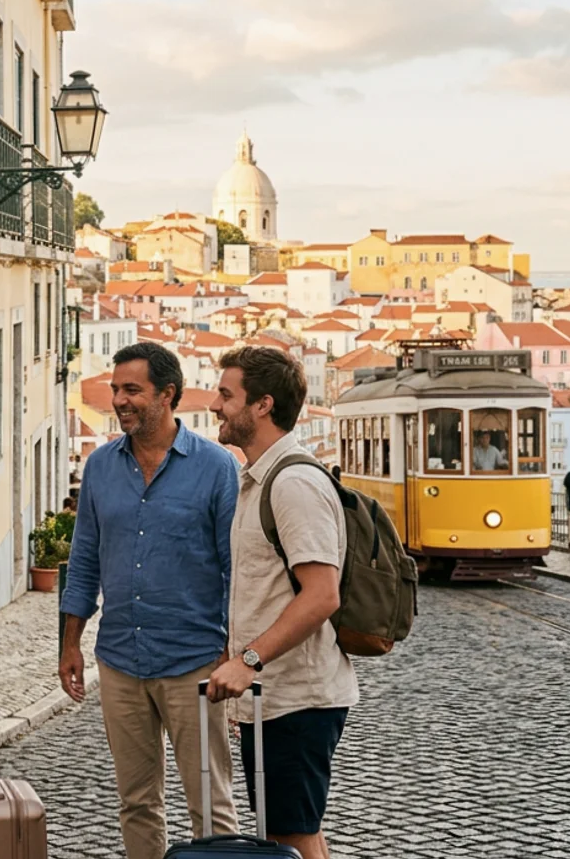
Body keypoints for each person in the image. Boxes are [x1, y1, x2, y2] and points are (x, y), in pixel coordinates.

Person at [58, 343, 240, 859]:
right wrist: (70, 644)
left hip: (194, 664)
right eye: (116, 389)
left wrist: (233, 654)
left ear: (169, 395)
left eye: (132, 390)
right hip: (119, 659)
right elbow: (84, 560)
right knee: (136, 802)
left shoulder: (216, 468)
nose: (119, 400)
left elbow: (235, 570)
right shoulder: (99, 468)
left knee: (211, 804)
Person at [207, 346, 357, 859]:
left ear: (263, 405)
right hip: (274, 697)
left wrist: (249, 661)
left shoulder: (293, 483)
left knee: (290, 836)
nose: (214, 404)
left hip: (298, 697)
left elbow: (322, 595)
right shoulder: (261, 479)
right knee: (290, 834)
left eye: (227, 395)